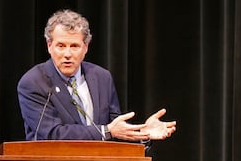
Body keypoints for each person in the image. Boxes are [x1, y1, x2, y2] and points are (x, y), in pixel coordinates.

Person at [17, 9, 177, 143]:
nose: (67, 54)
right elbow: (52, 134)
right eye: (61, 46)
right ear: (49, 46)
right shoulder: (33, 82)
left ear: (85, 47)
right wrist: (106, 131)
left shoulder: (101, 77)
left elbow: (116, 130)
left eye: (74, 46)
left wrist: (143, 132)